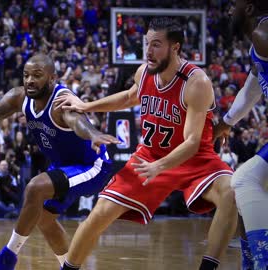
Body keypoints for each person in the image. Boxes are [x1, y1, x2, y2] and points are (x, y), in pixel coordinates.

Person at [55, 18, 237, 270]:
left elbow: (193, 142)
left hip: (195, 159)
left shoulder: (197, 82)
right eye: (147, 44)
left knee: (231, 191)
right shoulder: (144, 72)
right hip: (150, 156)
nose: (148, 51)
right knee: (99, 213)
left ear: (175, 47)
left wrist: (160, 166)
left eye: (156, 45)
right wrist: (88, 105)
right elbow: (130, 96)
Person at [0, 53, 119, 270]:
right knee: (44, 218)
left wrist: (93, 134)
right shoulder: (19, 97)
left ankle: (7, 258)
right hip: (64, 166)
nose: (30, 80)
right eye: (26, 75)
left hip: (92, 166)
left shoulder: (61, 101)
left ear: (52, 79)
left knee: (34, 188)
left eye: (37, 75)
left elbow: (77, 120)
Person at [213, 1, 268, 269]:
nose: (228, 8)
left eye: (234, 4)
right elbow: (252, 87)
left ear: (248, 9)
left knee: (244, 181)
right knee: (244, 189)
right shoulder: (257, 42)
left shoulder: (263, 35)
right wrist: (227, 122)